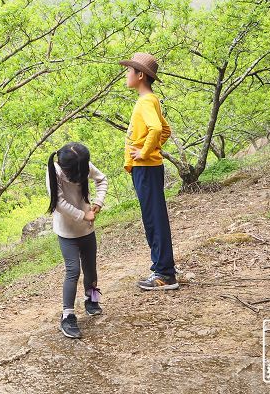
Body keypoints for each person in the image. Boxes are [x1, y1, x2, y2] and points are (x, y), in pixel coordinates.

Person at [118, 52, 178, 290]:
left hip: (146, 167)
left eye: (129, 71)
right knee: (155, 217)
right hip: (149, 167)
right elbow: (166, 130)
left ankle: (164, 273)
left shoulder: (145, 102)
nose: (126, 74)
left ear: (140, 75)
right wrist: (152, 148)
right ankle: (163, 268)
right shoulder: (151, 100)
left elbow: (156, 129)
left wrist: (144, 152)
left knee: (153, 219)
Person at [46, 142, 108, 339]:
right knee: (73, 270)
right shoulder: (54, 172)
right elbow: (59, 203)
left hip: (86, 229)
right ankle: (67, 316)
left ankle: (92, 300)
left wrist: (97, 203)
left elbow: (102, 179)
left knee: (91, 268)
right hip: (67, 231)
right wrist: (83, 215)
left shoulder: (82, 164)